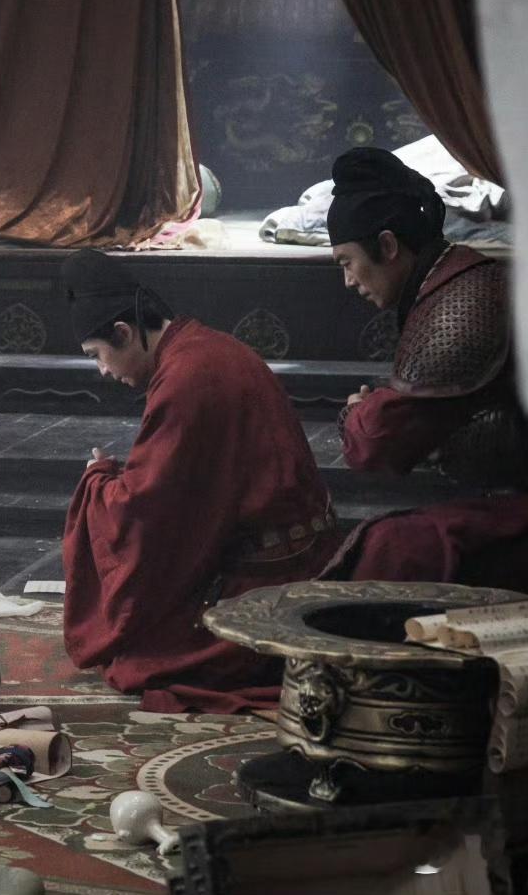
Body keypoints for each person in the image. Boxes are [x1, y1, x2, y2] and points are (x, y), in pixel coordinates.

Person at [323, 146, 528, 595]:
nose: (348, 281)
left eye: (347, 262)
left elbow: (377, 445)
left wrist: (355, 413)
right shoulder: (454, 277)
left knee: (389, 548)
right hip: (527, 496)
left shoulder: (462, 302)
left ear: (387, 246)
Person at [58, 250, 339, 713]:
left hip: (274, 580)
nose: (103, 371)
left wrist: (97, 480)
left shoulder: (187, 378)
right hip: (301, 555)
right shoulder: (203, 347)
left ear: (124, 332)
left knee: (137, 664)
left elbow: (143, 510)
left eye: (97, 356)